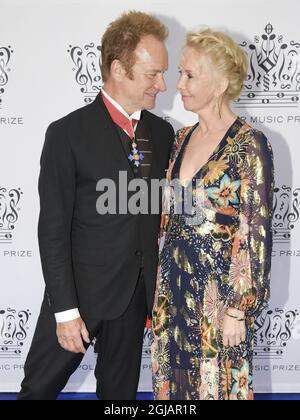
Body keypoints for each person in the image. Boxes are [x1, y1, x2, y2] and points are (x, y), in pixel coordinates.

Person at [18, 11, 174, 400]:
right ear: (119, 69)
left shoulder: (162, 131)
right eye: (153, 74)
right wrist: (66, 311)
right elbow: (52, 229)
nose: (163, 83)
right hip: (79, 298)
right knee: (37, 392)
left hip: (135, 297)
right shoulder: (66, 133)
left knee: (119, 399)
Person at [151, 28, 274, 400]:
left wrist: (239, 309)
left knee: (216, 386)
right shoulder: (179, 138)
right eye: (180, 74)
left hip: (217, 299)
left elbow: (254, 231)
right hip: (172, 290)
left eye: (190, 75)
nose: (179, 84)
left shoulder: (249, 145)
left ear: (220, 84)